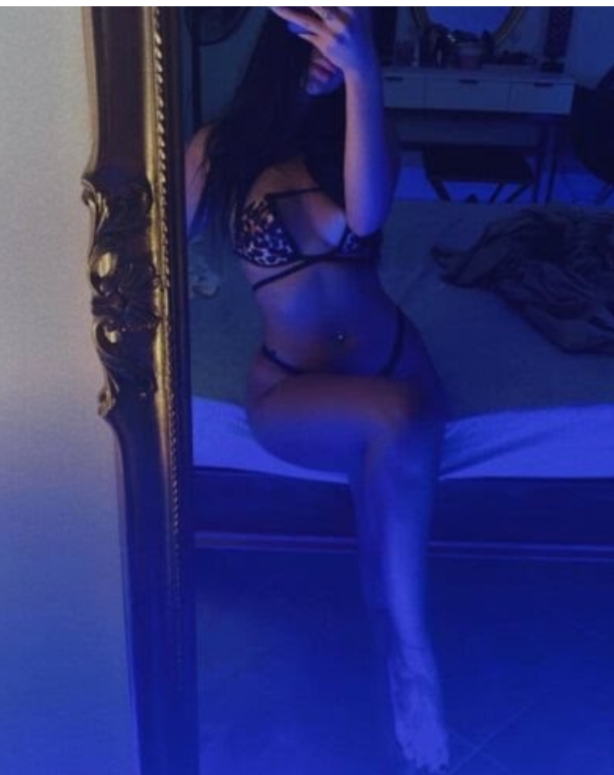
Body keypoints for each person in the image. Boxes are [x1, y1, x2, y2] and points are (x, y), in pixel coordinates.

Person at [185, 7, 449, 773]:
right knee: (396, 422)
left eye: (349, 31)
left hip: (395, 359)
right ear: (284, 33)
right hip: (293, 386)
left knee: (392, 450)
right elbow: (151, 246)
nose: (333, 46)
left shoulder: (365, 128)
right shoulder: (216, 148)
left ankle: (389, 647)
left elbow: (366, 212)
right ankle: (416, 666)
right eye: (319, 26)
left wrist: (365, 77)